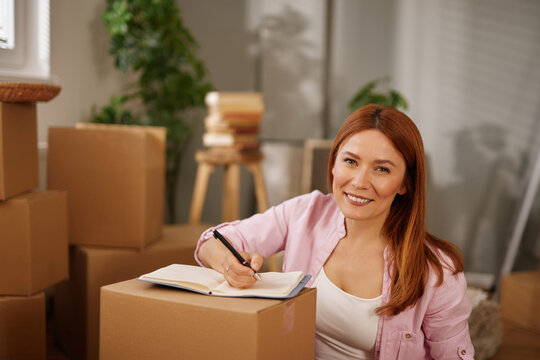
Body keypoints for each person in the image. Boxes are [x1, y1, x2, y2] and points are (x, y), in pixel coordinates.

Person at [195, 104, 474, 359]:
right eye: (350, 161)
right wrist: (228, 264)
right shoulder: (305, 212)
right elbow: (212, 242)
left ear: (405, 184)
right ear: (334, 162)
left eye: (382, 169)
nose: (359, 182)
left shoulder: (438, 272)